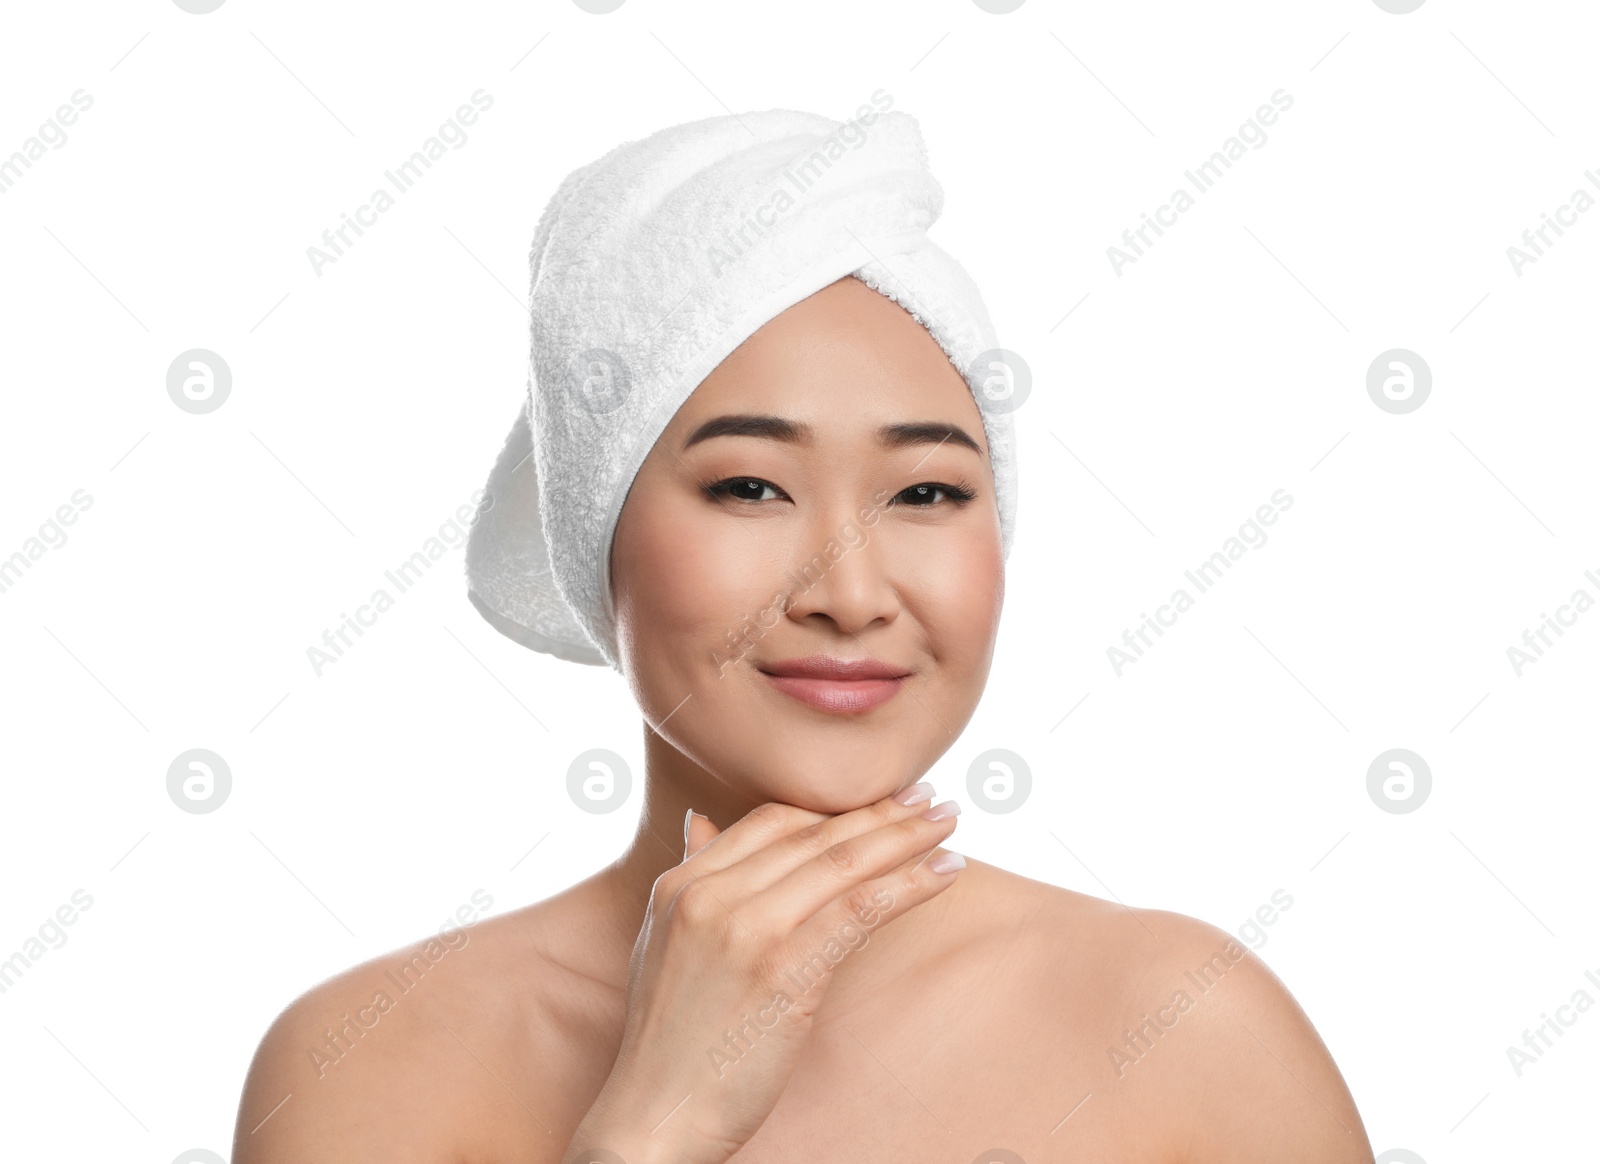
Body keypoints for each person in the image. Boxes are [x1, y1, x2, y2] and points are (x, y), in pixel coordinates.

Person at [232, 110, 1374, 1164]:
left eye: (925, 494)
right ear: (599, 529)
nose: (851, 591)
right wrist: (645, 1132)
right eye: (749, 487)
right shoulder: (366, 1064)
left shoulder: (1187, 1031)